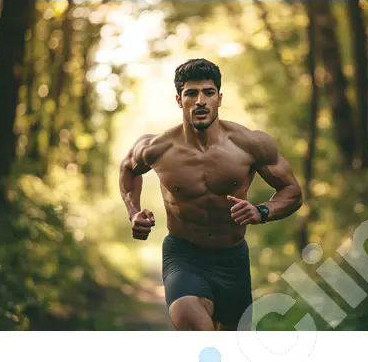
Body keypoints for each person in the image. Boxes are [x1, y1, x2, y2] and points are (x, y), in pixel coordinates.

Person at [119, 58, 303, 331]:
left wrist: (261, 211)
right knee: (196, 328)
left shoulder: (250, 144)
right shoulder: (158, 148)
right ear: (179, 100)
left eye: (208, 92)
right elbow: (128, 169)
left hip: (232, 259)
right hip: (183, 254)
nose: (200, 100)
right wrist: (134, 213)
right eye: (191, 93)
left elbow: (292, 192)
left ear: (219, 98)